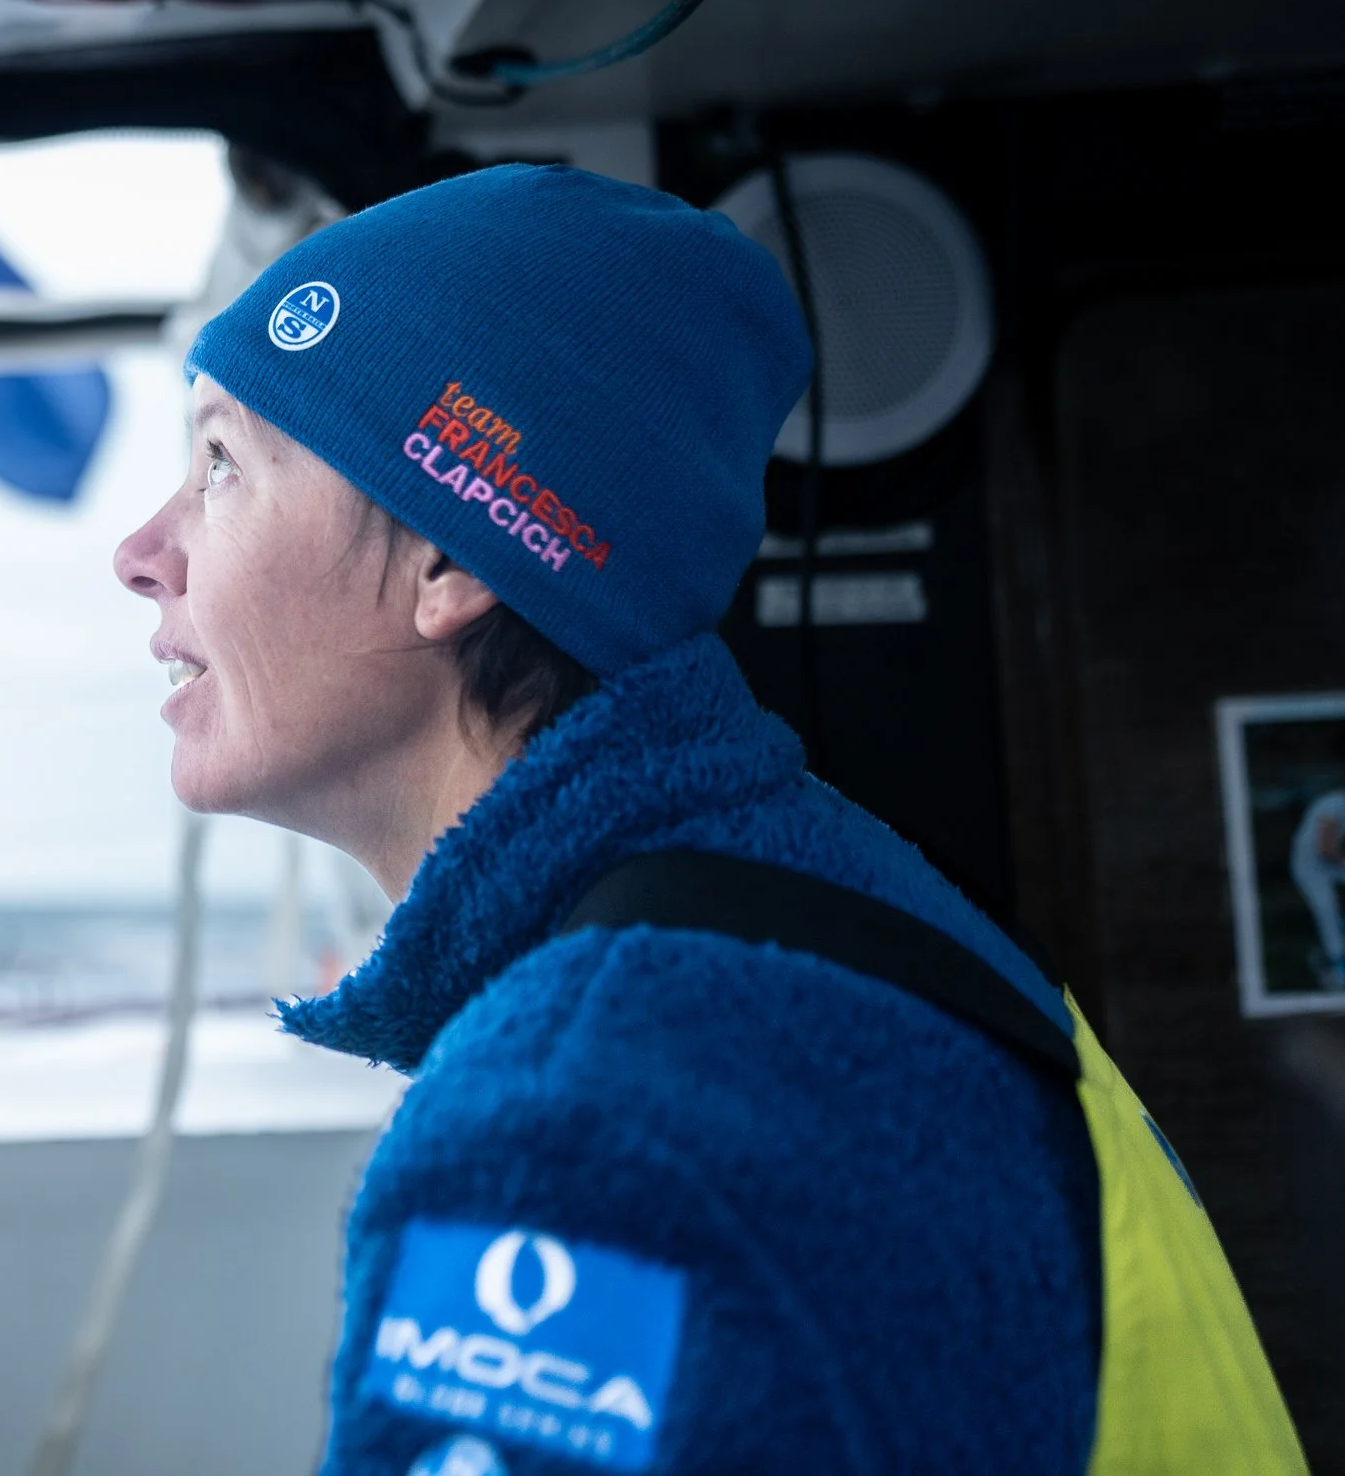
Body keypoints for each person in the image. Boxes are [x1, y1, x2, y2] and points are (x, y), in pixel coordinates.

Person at [113, 164, 1304, 1474]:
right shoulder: (820, 919)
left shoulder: (578, 1123)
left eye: (221, 461)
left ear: (451, 556)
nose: (140, 549)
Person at [1288, 788, 1345, 991]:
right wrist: (1341, 863)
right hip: (1310, 867)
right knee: (1326, 911)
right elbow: (1325, 847)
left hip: (1325, 865)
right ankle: (1336, 964)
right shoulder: (1335, 804)